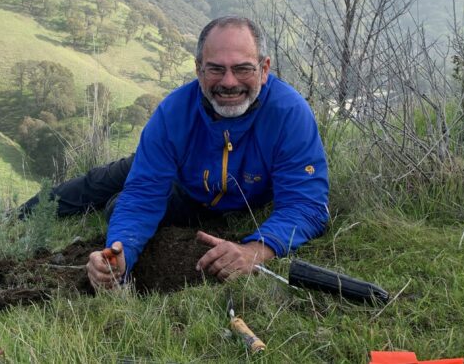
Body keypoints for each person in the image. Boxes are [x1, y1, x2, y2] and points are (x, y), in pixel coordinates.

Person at [20, 16, 330, 289]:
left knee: (115, 206)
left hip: (223, 200)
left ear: (264, 69)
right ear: (198, 70)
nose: (229, 81)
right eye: (216, 69)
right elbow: (143, 193)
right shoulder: (173, 112)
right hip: (184, 179)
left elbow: (307, 205)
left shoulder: (289, 113)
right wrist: (120, 253)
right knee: (101, 181)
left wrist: (255, 250)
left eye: (243, 69)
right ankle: (18, 215)